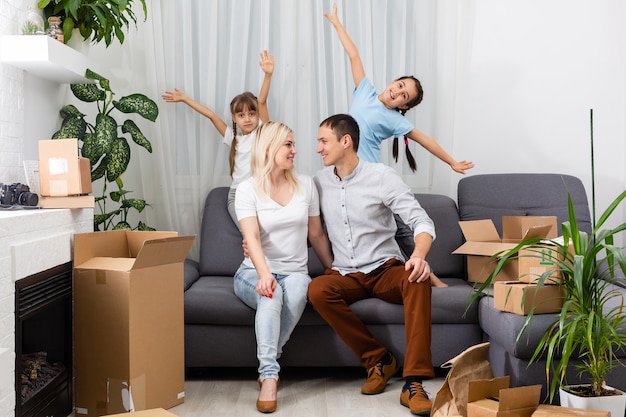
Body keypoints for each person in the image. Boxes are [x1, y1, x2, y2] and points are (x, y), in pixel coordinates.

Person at [324, 4, 471, 285]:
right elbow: (353, 55)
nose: (398, 92)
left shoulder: (393, 120)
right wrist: (336, 24)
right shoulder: (364, 91)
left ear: (403, 106)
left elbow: (424, 139)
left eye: (404, 96)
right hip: (346, 176)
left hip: (370, 179)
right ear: (393, 81)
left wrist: (451, 161)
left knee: (401, 232)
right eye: (400, 85)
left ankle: (433, 279)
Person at [309, 114, 436, 416]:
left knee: (418, 280)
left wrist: (418, 256)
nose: (318, 149)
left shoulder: (382, 177)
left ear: (346, 141)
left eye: (323, 141)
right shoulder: (318, 182)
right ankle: (378, 359)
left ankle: (414, 382)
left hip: (384, 269)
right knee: (317, 289)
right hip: (345, 274)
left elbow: (422, 221)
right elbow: (306, 227)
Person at [234, 121, 333, 413]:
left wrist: (332, 268)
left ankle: (271, 354)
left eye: (293, 144)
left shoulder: (306, 184)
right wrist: (264, 275)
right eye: (288, 145)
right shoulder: (247, 189)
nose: (295, 150)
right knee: (271, 294)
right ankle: (269, 376)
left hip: (295, 273)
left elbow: (315, 234)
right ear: (269, 148)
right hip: (252, 273)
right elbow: (250, 237)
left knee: (302, 287)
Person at [162, 50, 275, 227]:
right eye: (241, 115)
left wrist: (267, 75)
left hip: (261, 193)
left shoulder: (262, 134)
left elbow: (262, 102)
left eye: (251, 114)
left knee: (265, 234)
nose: (247, 119)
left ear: (257, 116)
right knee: (250, 235)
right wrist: (186, 99)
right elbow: (211, 115)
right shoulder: (234, 139)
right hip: (237, 195)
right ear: (234, 118)